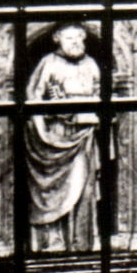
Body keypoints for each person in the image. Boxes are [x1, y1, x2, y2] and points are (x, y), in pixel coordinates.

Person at [27, 24, 102, 251]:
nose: (76, 42)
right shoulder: (48, 63)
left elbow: (100, 94)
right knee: (53, 188)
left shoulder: (91, 64)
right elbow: (33, 97)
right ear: (58, 40)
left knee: (83, 187)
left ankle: (82, 240)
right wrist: (45, 123)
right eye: (70, 38)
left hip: (84, 135)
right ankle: (54, 240)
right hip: (56, 135)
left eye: (80, 38)